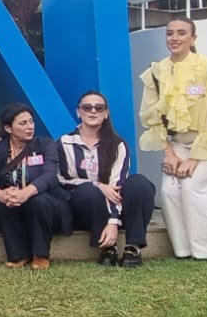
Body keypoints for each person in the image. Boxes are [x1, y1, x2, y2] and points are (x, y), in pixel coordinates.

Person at [140, 17, 207, 260]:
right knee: (169, 191)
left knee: (194, 187)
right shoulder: (156, 73)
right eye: (170, 33)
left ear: (193, 38)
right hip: (178, 143)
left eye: (181, 33)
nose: (174, 38)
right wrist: (170, 154)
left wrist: (194, 159)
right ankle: (184, 249)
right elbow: (153, 117)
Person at [58, 91, 157, 268]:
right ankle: (107, 247)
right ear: (78, 112)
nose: (93, 111)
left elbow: (116, 186)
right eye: (87, 107)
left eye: (99, 108)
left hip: (116, 210)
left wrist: (113, 221)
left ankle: (133, 247)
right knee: (89, 191)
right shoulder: (64, 143)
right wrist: (97, 184)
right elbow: (62, 180)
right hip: (86, 209)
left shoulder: (118, 144)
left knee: (139, 183)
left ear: (106, 113)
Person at [0, 103, 67, 269]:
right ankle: (18, 255)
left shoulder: (46, 145)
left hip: (45, 204)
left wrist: (26, 193)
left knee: (38, 200)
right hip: (12, 203)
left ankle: (40, 255)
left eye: (31, 122)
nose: (30, 127)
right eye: (23, 123)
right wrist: (1, 194)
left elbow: (49, 176)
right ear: (8, 128)